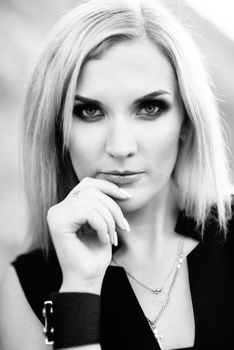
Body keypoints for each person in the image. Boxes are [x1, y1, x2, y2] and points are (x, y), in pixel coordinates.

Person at [0, 0, 233, 349]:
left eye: (149, 108)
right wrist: (80, 288)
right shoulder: (29, 285)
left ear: (186, 121)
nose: (120, 146)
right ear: (57, 129)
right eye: (89, 111)